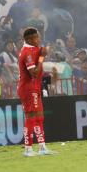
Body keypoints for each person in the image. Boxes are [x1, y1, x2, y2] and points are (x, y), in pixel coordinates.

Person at [17, 28, 54, 156]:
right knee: (31, 117)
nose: (39, 39)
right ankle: (28, 149)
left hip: (35, 87)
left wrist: (45, 52)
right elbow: (34, 73)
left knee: (39, 117)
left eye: (39, 37)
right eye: (36, 37)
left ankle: (42, 147)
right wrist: (42, 57)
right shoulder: (26, 52)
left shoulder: (33, 49)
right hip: (28, 88)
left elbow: (42, 51)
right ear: (29, 39)